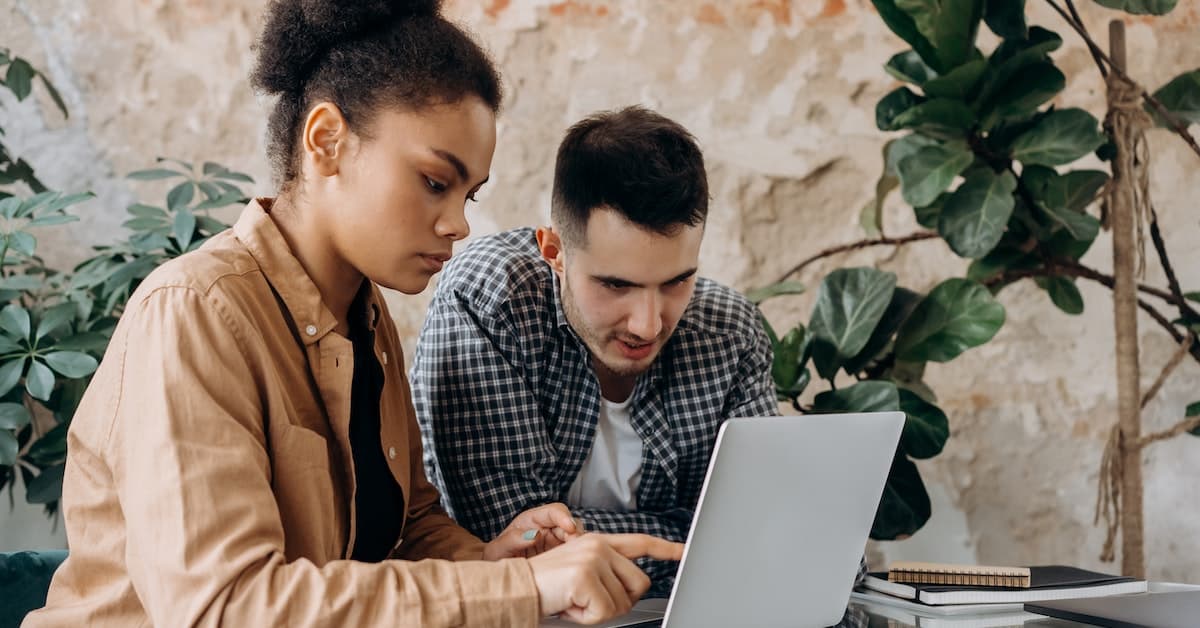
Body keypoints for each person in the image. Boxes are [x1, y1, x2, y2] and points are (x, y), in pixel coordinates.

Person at [25, 2, 680, 626]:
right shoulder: (192, 317)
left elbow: (403, 530)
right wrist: (518, 589)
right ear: (328, 141)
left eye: (469, 193)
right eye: (434, 182)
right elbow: (224, 608)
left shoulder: (366, 320)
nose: (457, 224)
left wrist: (490, 558)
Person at [411, 105, 779, 596]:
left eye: (677, 281)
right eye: (615, 284)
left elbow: (771, 539)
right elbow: (506, 540)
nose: (648, 323)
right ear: (554, 252)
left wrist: (583, 543)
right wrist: (698, 541)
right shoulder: (489, 299)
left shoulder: (731, 333)